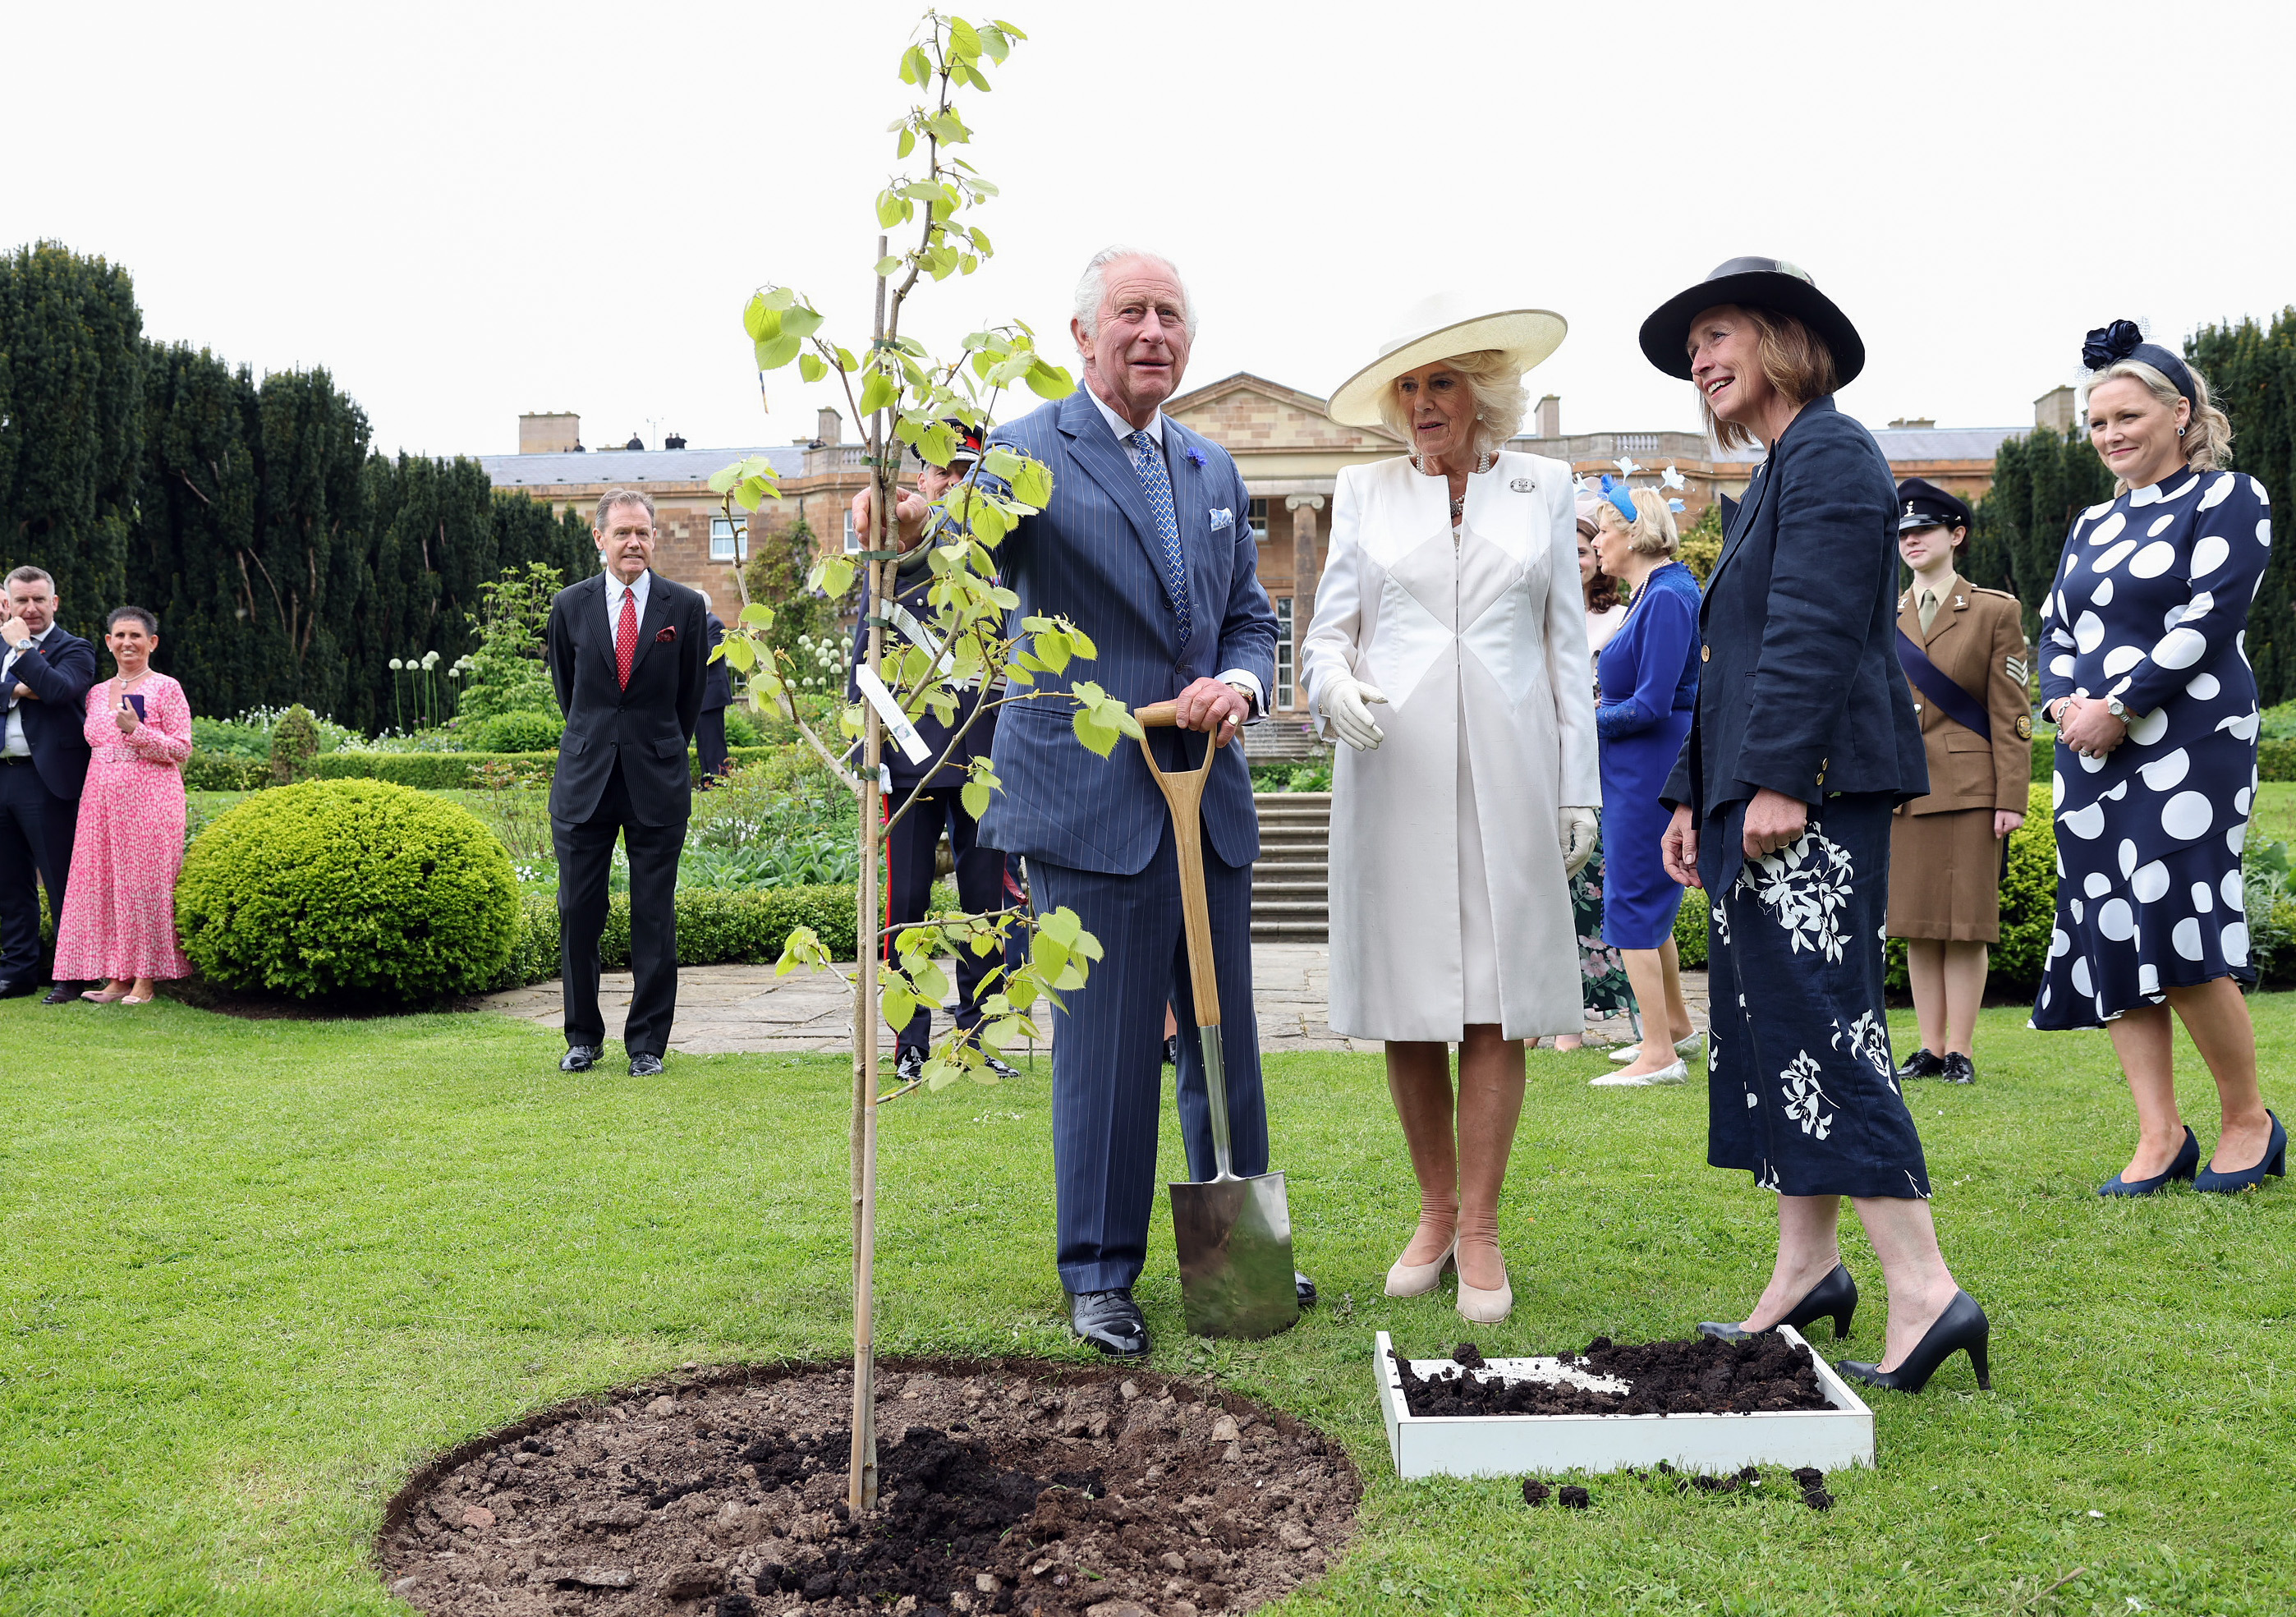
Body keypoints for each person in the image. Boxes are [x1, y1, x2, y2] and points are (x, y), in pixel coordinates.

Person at [858, 248, 1307, 1357]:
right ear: (1082, 334)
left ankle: (1235, 1257)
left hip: (1205, 790)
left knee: (1219, 1041)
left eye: (1170, 315)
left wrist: (1242, 682)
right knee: (1104, 1052)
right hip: (1090, 796)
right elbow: (961, 560)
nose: (1152, 331)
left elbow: (1250, 616)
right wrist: (922, 522)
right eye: (1130, 313)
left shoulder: (1209, 468)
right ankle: (1100, 1273)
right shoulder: (1025, 453)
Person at [1643, 258, 1990, 1394]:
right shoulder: (1781, 470)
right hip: (1765, 792)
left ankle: (1926, 1288)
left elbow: (1815, 627)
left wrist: (1781, 779)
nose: (1700, 359)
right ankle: (1807, 1271)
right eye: (1692, 346)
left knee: (1823, 1026)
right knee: (1775, 1026)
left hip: (1815, 796)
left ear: (1786, 339)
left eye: (1719, 333)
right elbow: (1728, 658)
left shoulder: (1835, 452)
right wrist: (1697, 792)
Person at [1303, 293, 1598, 1325]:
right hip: (1398, 762)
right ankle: (1432, 1211)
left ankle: (1481, 1225)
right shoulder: (1364, 489)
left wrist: (1579, 786)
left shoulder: (1545, 488)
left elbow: (1568, 646)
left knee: (1495, 997)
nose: (1424, 402)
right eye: (1411, 386)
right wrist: (1331, 687)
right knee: (1409, 997)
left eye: (1444, 383)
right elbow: (1329, 631)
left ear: (1485, 393)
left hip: (1512, 767)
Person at [2035, 320, 2283, 1196]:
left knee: (2176, 917)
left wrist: (2122, 703)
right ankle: (2159, 1133)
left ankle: (2248, 1119)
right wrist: (2067, 702)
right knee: (2110, 925)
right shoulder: (2091, 521)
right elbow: (2056, 629)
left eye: (2126, 416)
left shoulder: (2229, 498)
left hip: (2193, 741)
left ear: (2181, 413)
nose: (2109, 436)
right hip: (2090, 749)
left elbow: (2211, 619)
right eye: (2097, 423)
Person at [849, 421, 1019, 1085]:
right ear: (921, 480)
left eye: (964, 472)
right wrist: (901, 747)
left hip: (982, 761)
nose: (951, 483)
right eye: (941, 472)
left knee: (986, 910)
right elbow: (864, 665)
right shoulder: (892, 558)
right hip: (912, 763)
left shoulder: (995, 560)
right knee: (908, 911)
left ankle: (977, 1038)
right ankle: (910, 1043)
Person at [545, 489, 709, 1078]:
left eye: (642, 532)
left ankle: (646, 1044)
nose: (633, 542)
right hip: (584, 779)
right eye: (622, 533)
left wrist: (654, 743)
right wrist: (600, 738)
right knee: (578, 911)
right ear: (599, 539)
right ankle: (582, 1036)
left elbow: (689, 699)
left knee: (653, 914)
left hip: (656, 777)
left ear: (654, 537)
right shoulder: (570, 606)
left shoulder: (684, 607)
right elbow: (571, 692)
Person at [1885, 478, 2031, 1086]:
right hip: (1903, 790)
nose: (1912, 540)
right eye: (1904, 533)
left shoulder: (1995, 610)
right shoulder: (1883, 613)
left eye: (1924, 530)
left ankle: (1961, 1049)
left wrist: (2011, 797)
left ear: (1956, 535)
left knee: (1966, 924)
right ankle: (1928, 1047)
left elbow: (2012, 711)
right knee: (1917, 923)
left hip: (1970, 788)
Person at [1587, 480, 1703, 1086]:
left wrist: (1584, 720)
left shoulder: (1668, 596)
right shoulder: (1655, 592)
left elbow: (1654, 702)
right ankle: (1676, 1026)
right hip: (1639, 765)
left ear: (1635, 532)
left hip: (1651, 765)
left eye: (1604, 528)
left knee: (1631, 901)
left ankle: (1657, 1053)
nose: (1596, 540)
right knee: (1646, 901)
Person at [53, 608, 193, 1002]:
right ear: (109, 642)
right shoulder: (96, 693)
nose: (127, 642)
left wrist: (139, 732)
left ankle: (146, 979)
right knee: (106, 884)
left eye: (135, 635)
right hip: (100, 798)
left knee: (144, 884)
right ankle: (116, 977)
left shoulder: (167, 688)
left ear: (152, 643)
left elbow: (181, 749)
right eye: (119, 635)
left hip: (151, 796)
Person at [1559, 497, 1636, 1052]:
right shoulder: (1545, 611)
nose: (1577, 559)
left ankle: (1578, 1019)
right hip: (1549, 758)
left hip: (1604, 761)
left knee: (1593, 888)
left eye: (1584, 550)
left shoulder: (1618, 617)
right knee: (1549, 891)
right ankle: (1550, 1012)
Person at [0, 567, 97, 1004]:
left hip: (48, 782)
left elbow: (59, 690)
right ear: (8, 603)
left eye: (39, 599)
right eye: (21, 600)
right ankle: (18, 972)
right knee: (9, 882)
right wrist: (19, 688)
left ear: (54, 602)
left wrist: (21, 648)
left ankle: (72, 975)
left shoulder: (74, 648)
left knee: (60, 881)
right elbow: (37, 686)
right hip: (3, 774)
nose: (30, 608)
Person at [696, 591, 734, 784]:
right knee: (703, 741)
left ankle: (720, 780)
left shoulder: (714, 624)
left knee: (714, 742)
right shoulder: (701, 624)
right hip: (702, 697)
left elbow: (708, 656)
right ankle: (708, 780)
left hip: (712, 695)